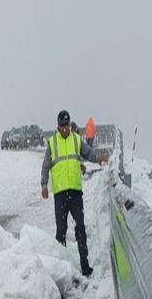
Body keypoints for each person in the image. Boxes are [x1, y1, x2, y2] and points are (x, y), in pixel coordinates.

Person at [40, 109, 106, 277]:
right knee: (61, 231)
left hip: (76, 192)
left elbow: (88, 153)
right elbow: (46, 165)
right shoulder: (52, 142)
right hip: (60, 193)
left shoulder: (76, 140)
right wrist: (44, 184)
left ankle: (85, 265)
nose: (64, 128)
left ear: (70, 125)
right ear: (58, 125)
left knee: (80, 228)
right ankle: (61, 268)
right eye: (61, 125)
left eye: (66, 125)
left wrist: (98, 158)